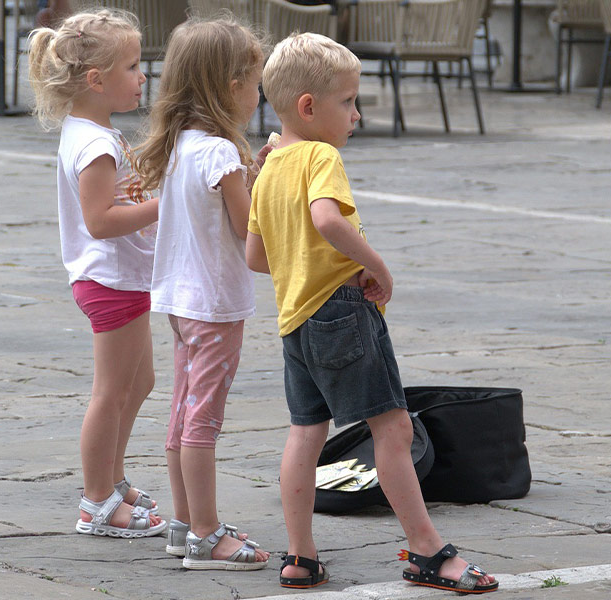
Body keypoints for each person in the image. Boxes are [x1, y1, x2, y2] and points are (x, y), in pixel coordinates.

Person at [246, 33, 499, 594]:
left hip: (295, 321)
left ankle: (300, 556)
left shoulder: (269, 168)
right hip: (342, 310)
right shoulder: (319, 155)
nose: (356, 114)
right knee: (393, 428)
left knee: (305, 433)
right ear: (308, 107)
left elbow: (255, 258)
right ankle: (428, 550)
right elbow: (327, 220)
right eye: (348, 101)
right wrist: (376, 266)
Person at [135, 18, 272, 570]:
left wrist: (251, 172)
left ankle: (184, 521)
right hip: (215, 304)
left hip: (180, 300)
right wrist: (267, 186)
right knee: (203, 420)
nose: (259, 95)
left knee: (182, 410)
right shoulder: (219, 153)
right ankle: (207, 534)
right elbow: (246, 228)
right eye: (256, 84)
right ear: (231, 86)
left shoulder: (181, 146)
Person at [28, 9, 166, 539]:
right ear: (96, 80)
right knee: (110, 393)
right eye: (132, 67)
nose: (142, 76)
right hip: (111, 280)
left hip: (121, 278)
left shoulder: (92, 131)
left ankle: (111, 477)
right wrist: (166, 206)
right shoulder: (96, 145)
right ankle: (96, 501)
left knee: (140, 381)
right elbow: (101, 221)